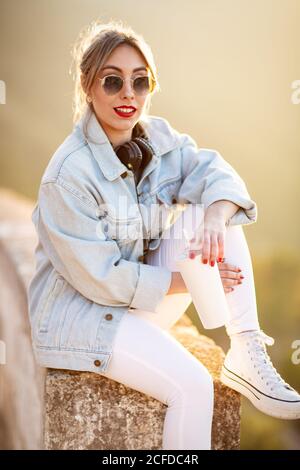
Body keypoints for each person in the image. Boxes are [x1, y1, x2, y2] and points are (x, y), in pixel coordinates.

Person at [27, 19, 300, 450]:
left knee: (208, 212)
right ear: (87, 86)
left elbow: (216, 173)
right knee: (193, 386)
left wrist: (214, 217)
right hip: (86, 319)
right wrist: (189, 279)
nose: (128, 95)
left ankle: (245, 347)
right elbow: (100, 278)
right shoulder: (66, 176)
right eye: (112, 82)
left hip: (140, 303)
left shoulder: (158, 136)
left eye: (141, 82)